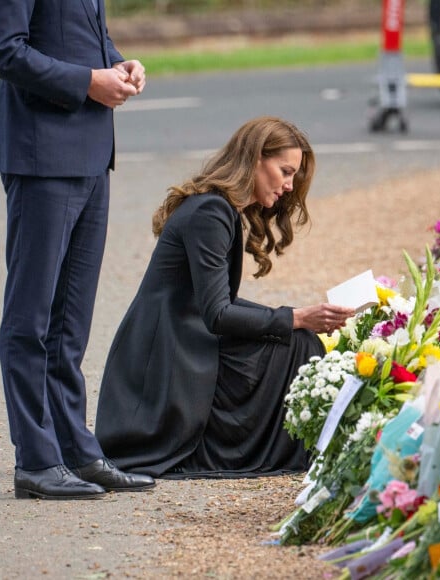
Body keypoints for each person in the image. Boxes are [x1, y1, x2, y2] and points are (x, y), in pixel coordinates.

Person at [95, 116, 355, 479]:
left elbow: (219, 304)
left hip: (178, 343)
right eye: (285, 171)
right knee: (298, 344)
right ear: (254, 158)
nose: (289, 185)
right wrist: (294, 318)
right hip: (171, 358)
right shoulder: (211, 212)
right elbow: (218, 314)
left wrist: (291, 317)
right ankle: (268, 449)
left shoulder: (217, 208)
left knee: (295, 339)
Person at [0, 0, 155, 499]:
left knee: (69, 326)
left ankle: (76, 450)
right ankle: (36, 460)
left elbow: (77, 34)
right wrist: (87, 83)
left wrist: (117, 64)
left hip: (93, 154)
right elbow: (3, 51)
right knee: (30, 320)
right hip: (42, 156)